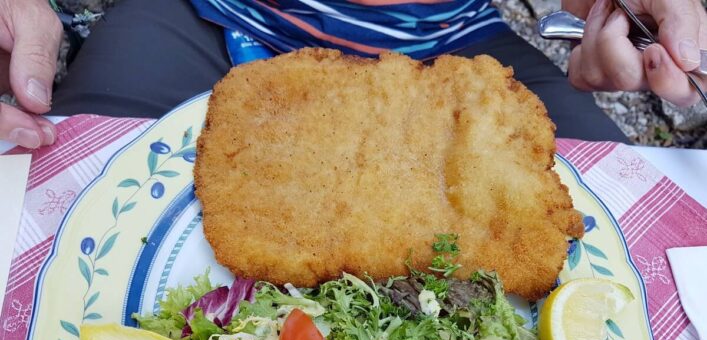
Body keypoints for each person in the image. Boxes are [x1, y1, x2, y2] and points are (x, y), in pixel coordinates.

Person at [0, 0, 705, 149]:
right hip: (208, 14)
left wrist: (611, 16)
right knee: (66, 175)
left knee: (609, 212)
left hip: (442, 49)